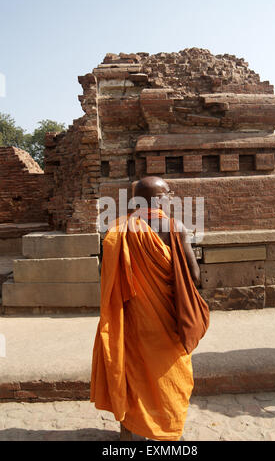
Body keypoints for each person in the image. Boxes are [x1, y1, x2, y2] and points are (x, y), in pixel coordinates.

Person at [90, 176, 204, 441]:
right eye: (168, 193)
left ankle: (128, 429)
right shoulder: (175, 227)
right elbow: (194, 276)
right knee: (170, 374)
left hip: (131, 318)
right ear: (158, 198)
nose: (171, 197)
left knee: (132, 370)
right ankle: (167, 428)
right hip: (166, 317)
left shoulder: (117, 230)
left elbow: (106, 275)